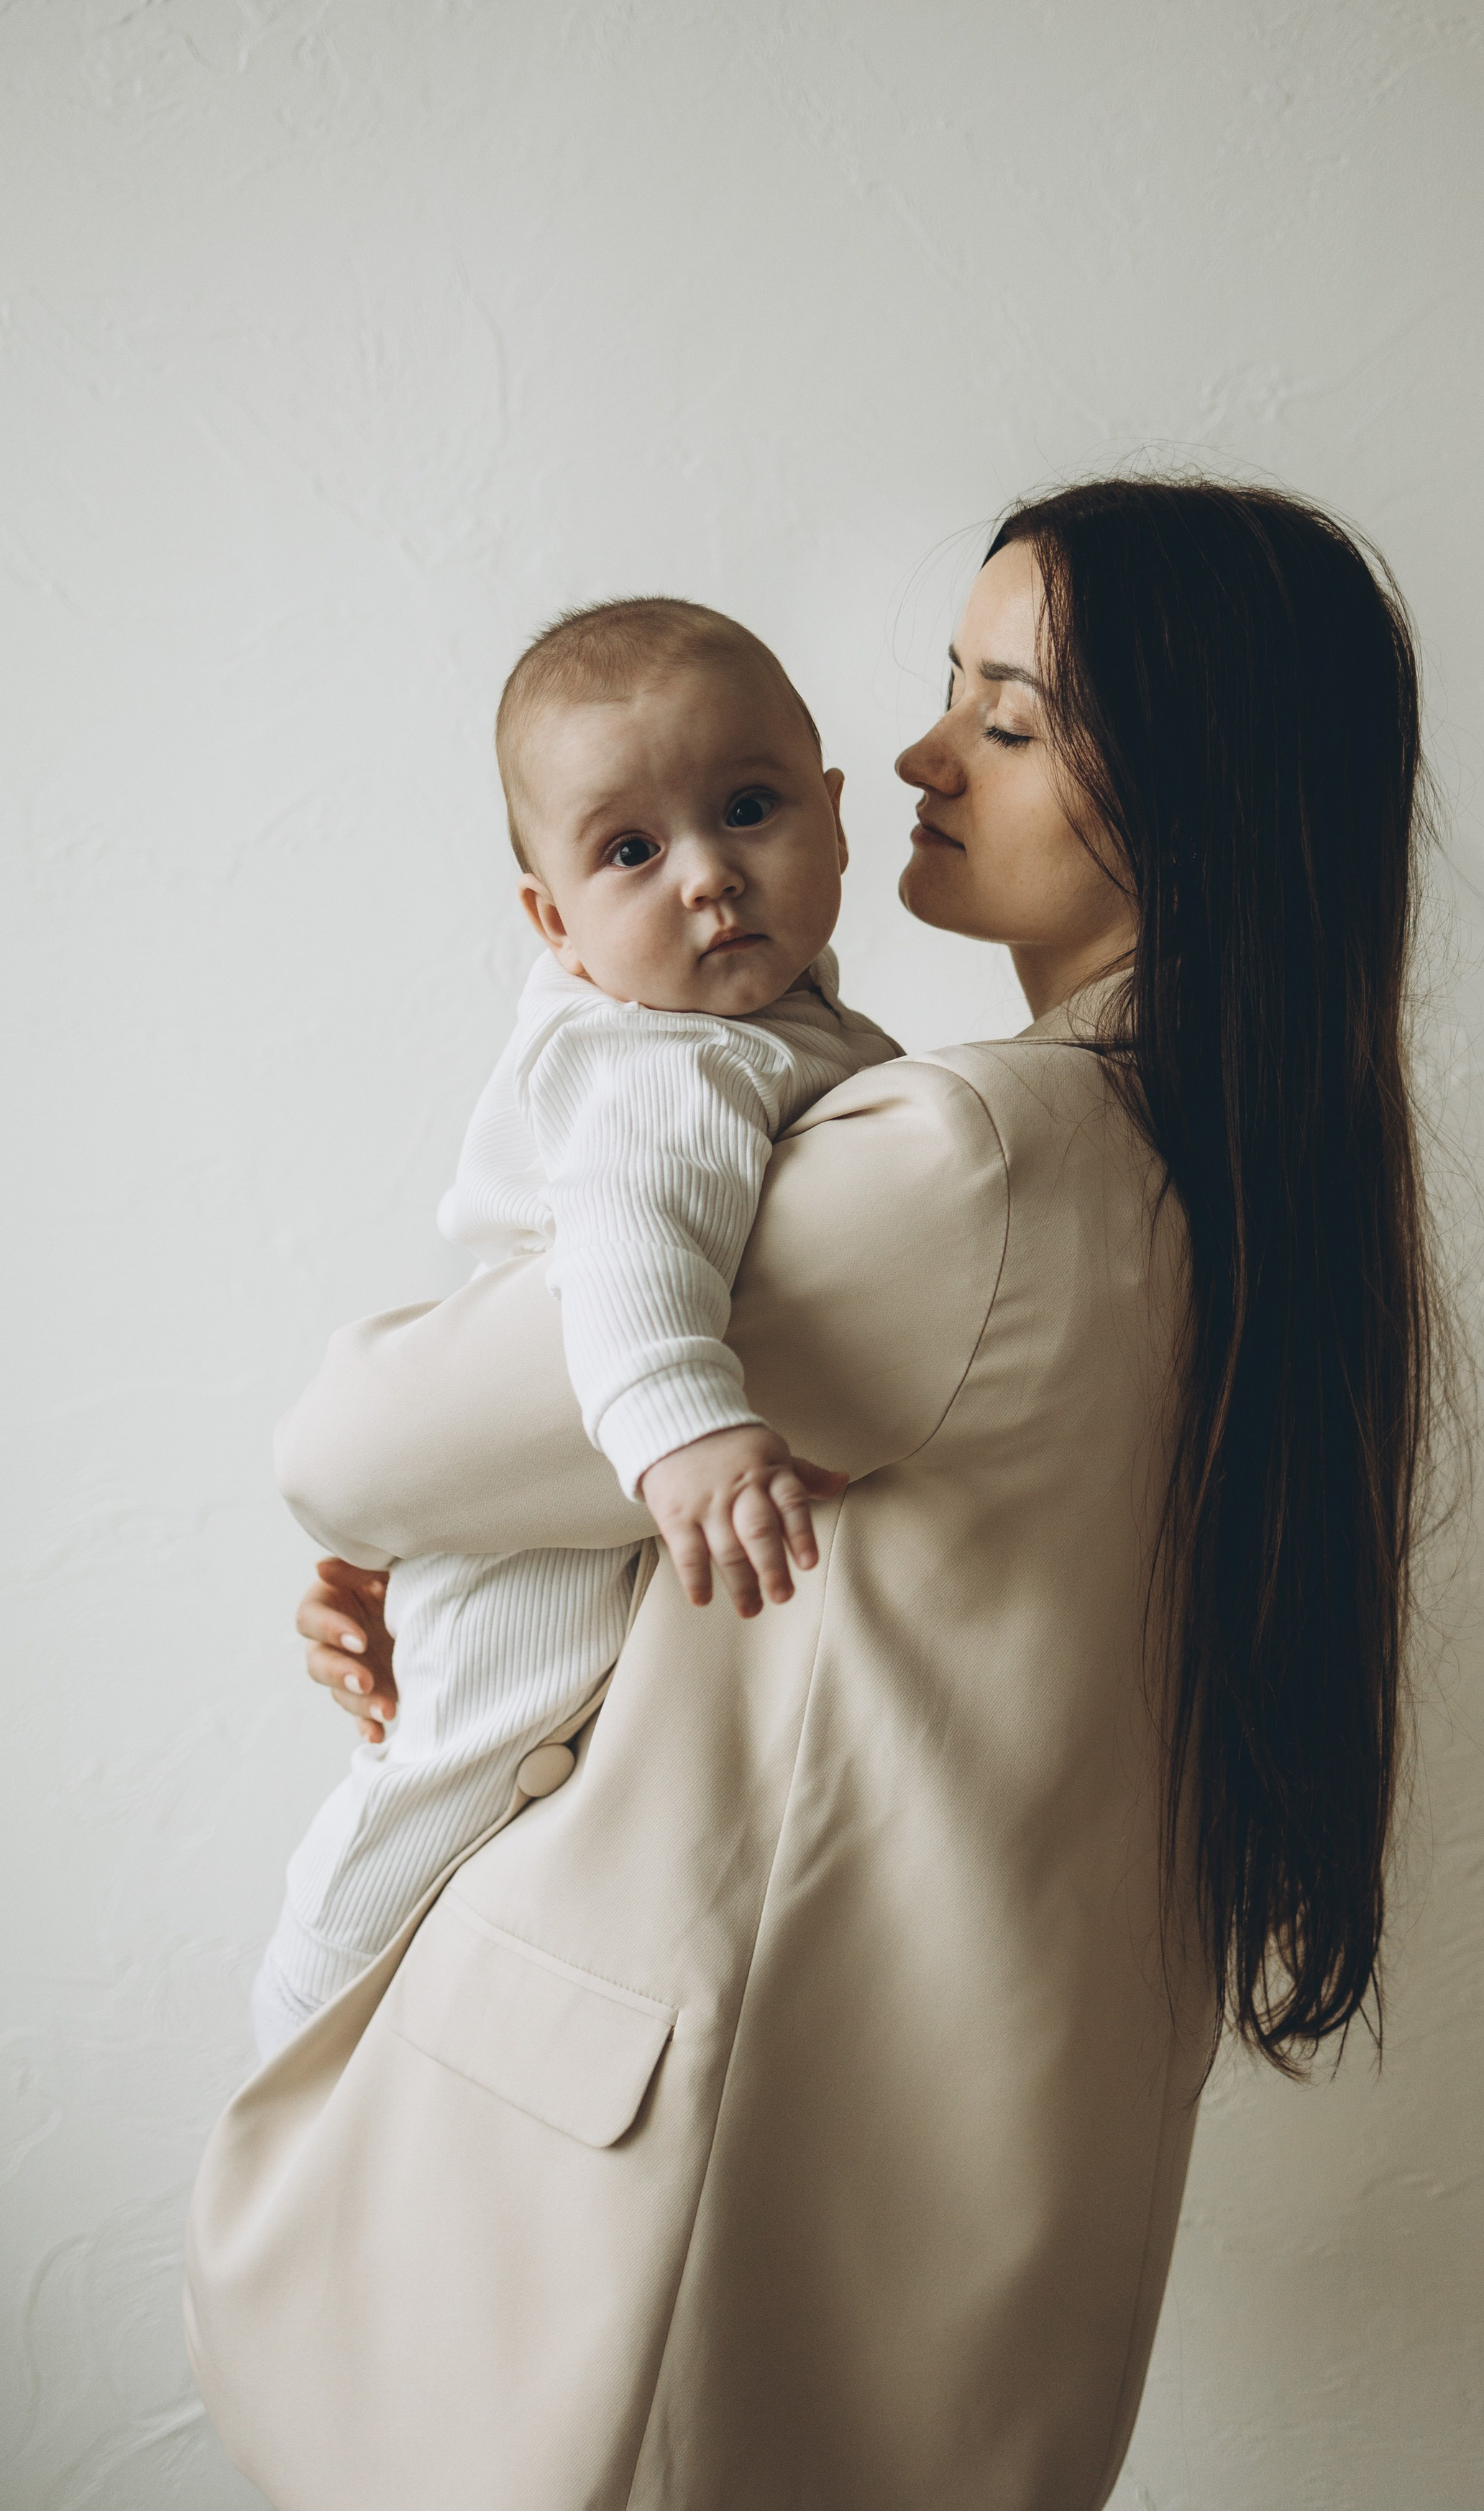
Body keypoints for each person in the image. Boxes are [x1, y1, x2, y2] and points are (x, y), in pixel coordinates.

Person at [186, 477, 1445, 2511]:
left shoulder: (965, 1165)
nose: (926, 755)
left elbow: (352, 1445)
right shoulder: (1232, 1174)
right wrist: (497, 1549)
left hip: (678, 2221)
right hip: (958, 2223)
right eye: (952, 693)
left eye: (1011, 720)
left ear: (1194, 789)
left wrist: (441, 1517)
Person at [250, 596, 901, 2058]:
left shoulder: (788, 1029)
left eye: (748, 809)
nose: (709, 878)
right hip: (554, 1522)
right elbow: (625, 1254)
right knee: (458, 1763)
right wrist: (687, 1433)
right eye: (630, 851)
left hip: (553, 1482)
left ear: (834, 814)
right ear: (553, 921)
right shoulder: (660, 1056)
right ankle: (305, 2006)